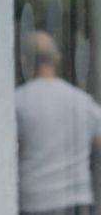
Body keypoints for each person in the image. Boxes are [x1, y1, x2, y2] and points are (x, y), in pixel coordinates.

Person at [16, 30, 101, 215]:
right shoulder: (81, 101)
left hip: (35, 202)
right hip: (77, 201)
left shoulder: (18, 101)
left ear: (26, 61)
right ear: (57, 58)